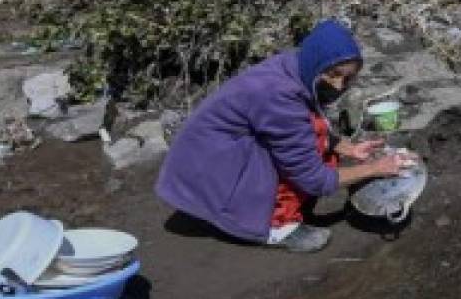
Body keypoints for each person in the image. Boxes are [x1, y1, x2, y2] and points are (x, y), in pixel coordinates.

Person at [156, 19, 412, 252]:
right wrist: (375, 168)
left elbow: (306, 127)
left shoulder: (297, 67)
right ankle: (276, 228)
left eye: (348, 79)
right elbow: (312, 178)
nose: (338, 86)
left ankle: (268, 207)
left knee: (309, 138)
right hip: (206, 169)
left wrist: (348, 149)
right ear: (317, 62)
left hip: (211, 153)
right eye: (333, 75)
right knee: (288, 159)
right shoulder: (277, 95)